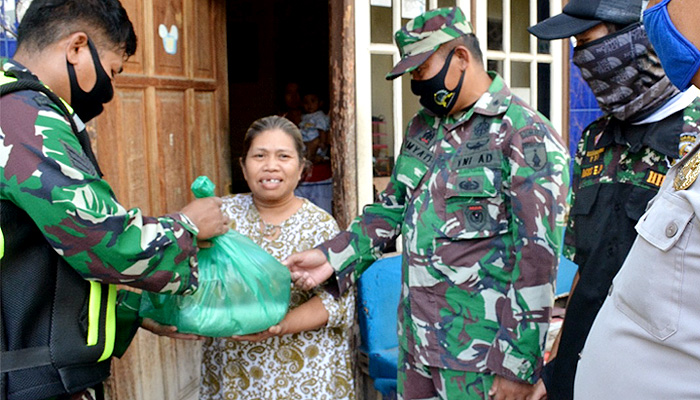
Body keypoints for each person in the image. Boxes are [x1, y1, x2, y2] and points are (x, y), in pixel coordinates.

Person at [285, 7, 570, 400]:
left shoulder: (523, 134)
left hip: (482, 358)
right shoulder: (423, 127)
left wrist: (519, 366)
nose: (416, 84)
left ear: (461, 59)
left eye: (421, 71)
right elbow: (392, 208)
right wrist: (331, 257)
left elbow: (537, 260)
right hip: (418, 346)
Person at [0, 1, 229, 399]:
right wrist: (188, 226)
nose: (112, 86)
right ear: (76, 47)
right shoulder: (24, 117)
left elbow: (42, 260)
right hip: (27, 383)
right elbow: (102, 241)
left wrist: (132, 310)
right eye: (112, 70)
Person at [527, 0, 700, 398]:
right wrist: (556, 361)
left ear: (635, 39)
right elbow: (588, 267)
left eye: (587, 42)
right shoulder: (596, 139)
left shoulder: (693, 134)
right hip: (581, 368)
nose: (580, 60)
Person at [199, 116, 355, 400]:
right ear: (243, 166)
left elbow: (338, 304)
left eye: (283, 156)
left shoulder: (320, 224)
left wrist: (280, 326)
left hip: (304, 374)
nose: (271, 165)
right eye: (259, 156)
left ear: (301, 169)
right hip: (236, 368)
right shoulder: (220, 217)